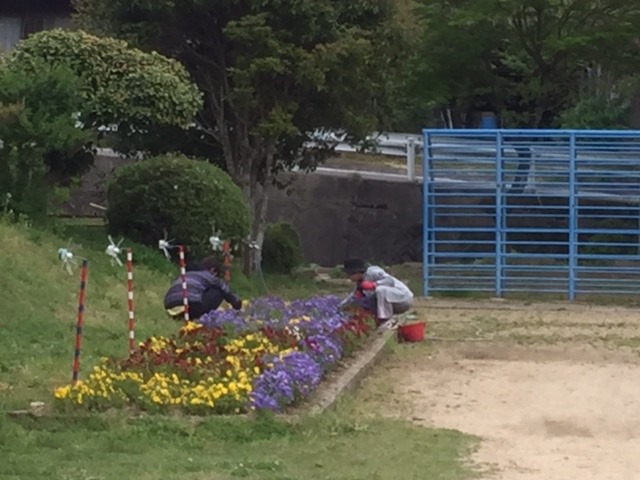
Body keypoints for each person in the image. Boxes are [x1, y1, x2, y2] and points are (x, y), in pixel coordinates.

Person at [339, 258, 413, 328]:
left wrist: (375, 284)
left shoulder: (373, 271)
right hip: (392, 302)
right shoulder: (360, 282)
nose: (347, 277)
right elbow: (352, 297)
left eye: (349, 274)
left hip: (403, 299)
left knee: (380, 290)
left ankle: (385, 320)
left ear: (357, 272)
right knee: (366, 301)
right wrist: (340, 307)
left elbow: (390, 281)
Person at [164, 256, 242, 320]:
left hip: (170, 307)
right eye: (215, 274)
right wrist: (236, 303)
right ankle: (201, 317)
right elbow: (225, 289)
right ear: (212, 270)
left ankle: (180, 316)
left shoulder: (186, 274)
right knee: (219, 291)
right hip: (190, 308)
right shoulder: (208, 275)